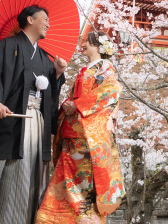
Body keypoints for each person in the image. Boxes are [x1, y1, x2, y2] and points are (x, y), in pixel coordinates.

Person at [0, 5, 68, 224]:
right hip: (12, 119)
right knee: (7, 174)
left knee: (34, 176)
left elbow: (48, 91)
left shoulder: (43, 57)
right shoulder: (8, 45)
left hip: (36, 122)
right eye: (45, 19)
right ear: (30, 20)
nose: (49, 24)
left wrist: (57, 74)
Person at [35, 31, 126, 224]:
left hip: (87, 140)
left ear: (99, 47)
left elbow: (109, 93)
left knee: (85, 188)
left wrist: (77, 105)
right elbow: (75, 97)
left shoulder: (106, 67)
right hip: (72, 137)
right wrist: (69, 104)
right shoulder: (85, 70)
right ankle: (51, 218)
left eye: (88, 42)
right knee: (63, 183)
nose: (83, 44)